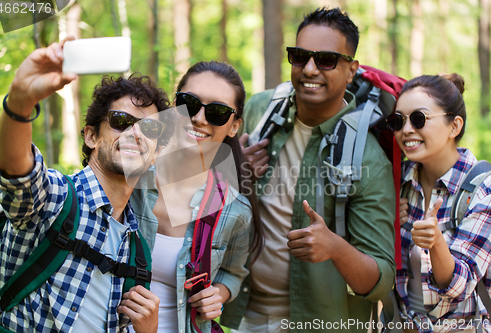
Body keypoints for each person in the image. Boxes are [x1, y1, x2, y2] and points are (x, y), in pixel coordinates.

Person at [220, 6, 396, 333]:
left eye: (326, 59)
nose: (310, 69)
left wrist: (335, 247)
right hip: (245, 314)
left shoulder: (367, 159)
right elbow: (196, 190)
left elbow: (382, 280)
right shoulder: (259, 112)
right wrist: (233, 169)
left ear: (351, 70)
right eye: (299, 56)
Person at [0, 37, 173, 333]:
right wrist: (21, 102)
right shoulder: (54, 198)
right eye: (120, 120)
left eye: (150, 127)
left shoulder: (137, 249)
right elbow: (16, 172)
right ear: (91, 136)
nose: (136, 133)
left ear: (157, 153)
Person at [128, 60, 264, 333]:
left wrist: (220, 294)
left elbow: (233, 274)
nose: (200, 118)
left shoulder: (235, 210)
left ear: (235, 126)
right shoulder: (129, 180)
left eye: (217, 112)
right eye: (189, 104)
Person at [392, 74, 491, 333]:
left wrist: (436, 243)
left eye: (418, 118)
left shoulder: (483, 189)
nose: (407, 130)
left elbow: (460, 286)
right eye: (398, 121)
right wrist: (385, 220)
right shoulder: (397, 181)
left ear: (454, 126)